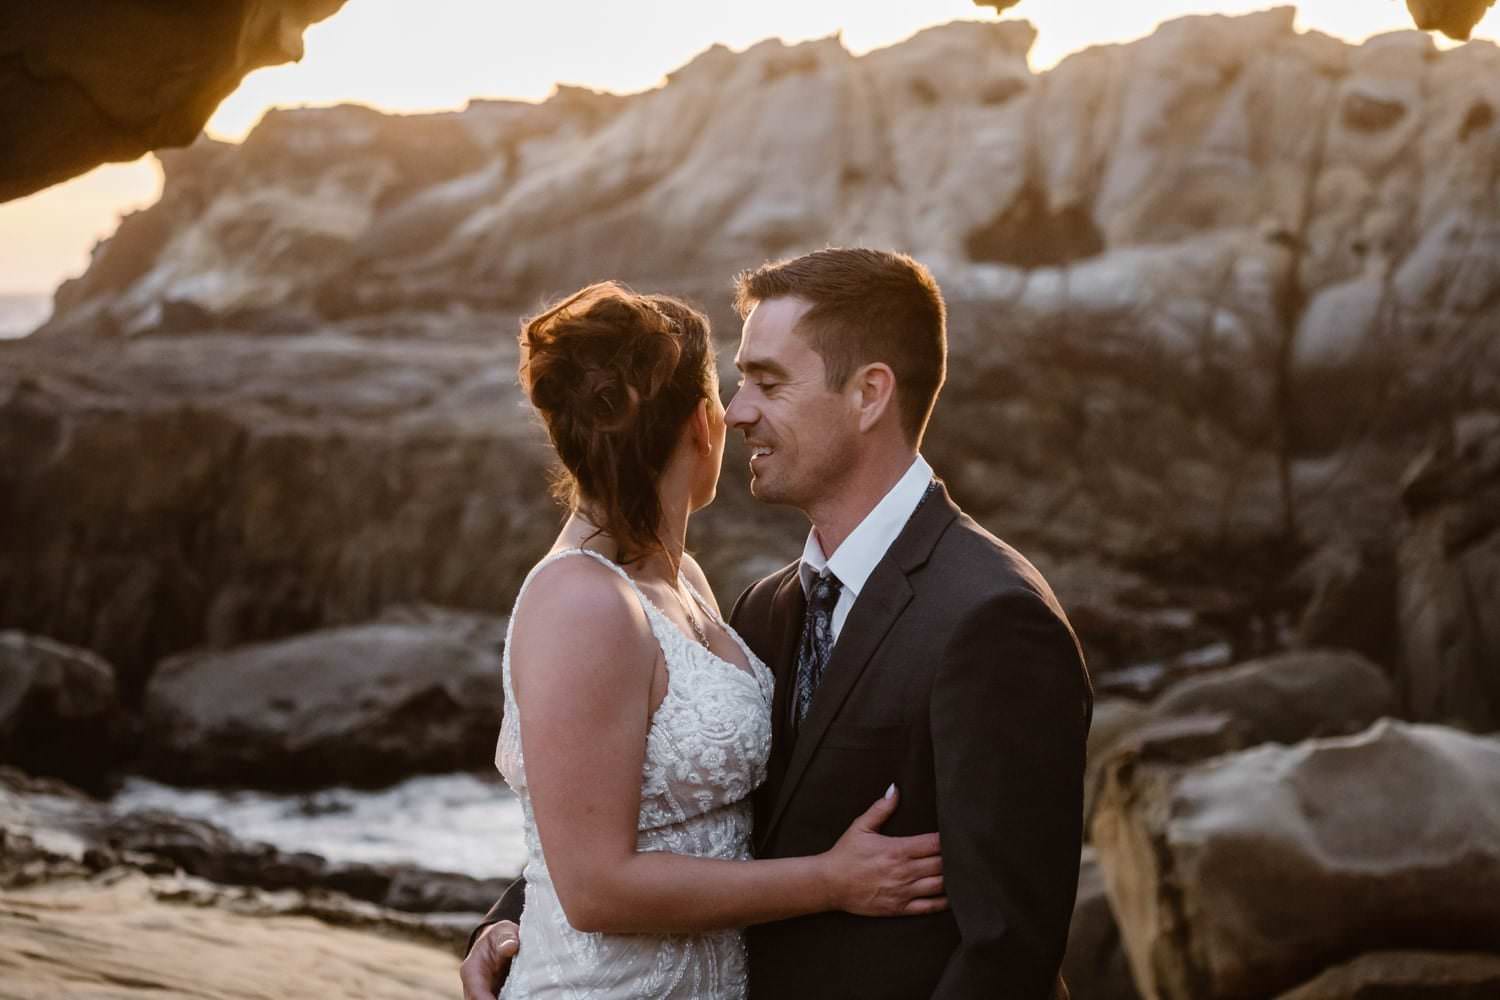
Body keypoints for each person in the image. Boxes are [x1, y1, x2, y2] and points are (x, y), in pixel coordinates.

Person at [465, 249, 1093, 999]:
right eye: (735, 383)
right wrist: (518, 919)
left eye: (767, 381)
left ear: (868, 394)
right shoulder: (766, 608)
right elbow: (690, 810)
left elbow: (1009, 949)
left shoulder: (993, 620)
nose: (733, 412)